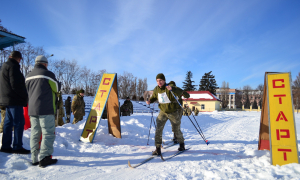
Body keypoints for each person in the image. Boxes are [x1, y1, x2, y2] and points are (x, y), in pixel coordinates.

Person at [26, 55, 60, 167]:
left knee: (35, 133)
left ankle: (34, 158)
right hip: (45, 108)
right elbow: (56, 88)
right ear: (45, 64)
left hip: (32, 109)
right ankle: (45, 158)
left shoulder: (28, 76)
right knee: (48, 133)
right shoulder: (48, 74)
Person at [146, 73, 187, 155]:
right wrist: (150, 100)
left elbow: (186, 94)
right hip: (163, 112)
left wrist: (173, 89)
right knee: (158, 129)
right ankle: (158, 148)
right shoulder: (156, 89)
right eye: (157, 81)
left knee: (176, 129)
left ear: (164, 80)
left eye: (160, 80)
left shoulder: (169, 88)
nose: (159, 82)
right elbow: (154, 97)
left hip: (173, 112)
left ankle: (182, 144)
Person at [0, 51, 30, 154]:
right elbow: (16, 85)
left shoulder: (4, 66)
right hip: (14, 99)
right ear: (19, 58)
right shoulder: (13, 66)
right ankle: (17, 146)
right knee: (19, 123)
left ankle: (5, 145)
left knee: (8, 123)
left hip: (6, 99)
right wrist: (25, 96)